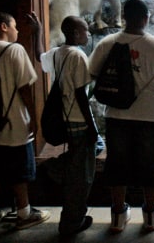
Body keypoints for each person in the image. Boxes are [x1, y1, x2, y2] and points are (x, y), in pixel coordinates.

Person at [87, 0, 154, 233]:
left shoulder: (108, 42)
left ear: (124, 17)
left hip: (117, 115)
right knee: (151, 165)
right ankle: (150, 215)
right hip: (151, 116)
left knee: (117, 165)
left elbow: (93, 74)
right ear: (146, 18)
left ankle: (118, 215)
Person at [0, 11, 50, 232]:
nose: (17, 30)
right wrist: (35, 119)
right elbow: (25, 88)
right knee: (19, 170)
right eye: (14, 26)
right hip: (13, 122)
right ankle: (24, 213)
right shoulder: (14, 50)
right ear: (4, 27)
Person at [27, 13, 99, 235]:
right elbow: (80, 93)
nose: (88, 32)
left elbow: (40, 57)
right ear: (77, 33)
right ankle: (71, 223)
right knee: (82, 177)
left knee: (82, 164)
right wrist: (93, 127)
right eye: (86, 29)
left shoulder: (58, 53)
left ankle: (59, 168)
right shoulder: (78, 57)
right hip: (79, 121)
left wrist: (38, 32)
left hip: (67, 120)